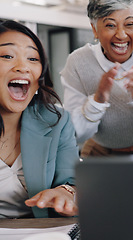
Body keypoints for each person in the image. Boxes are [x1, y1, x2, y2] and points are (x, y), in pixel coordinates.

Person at [61, 0, 133, 157]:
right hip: (99, 153)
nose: (121, 35)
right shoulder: (78, 61)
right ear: (94, 29)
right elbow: (75, 133)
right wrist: (97, 100)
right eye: (110, 25)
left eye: (129, 24)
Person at [0, 20, 79, 218]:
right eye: (8, 56)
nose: (23, 67)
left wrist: (65, 193)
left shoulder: (57, 121)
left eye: (33, 59)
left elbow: (73, 181)